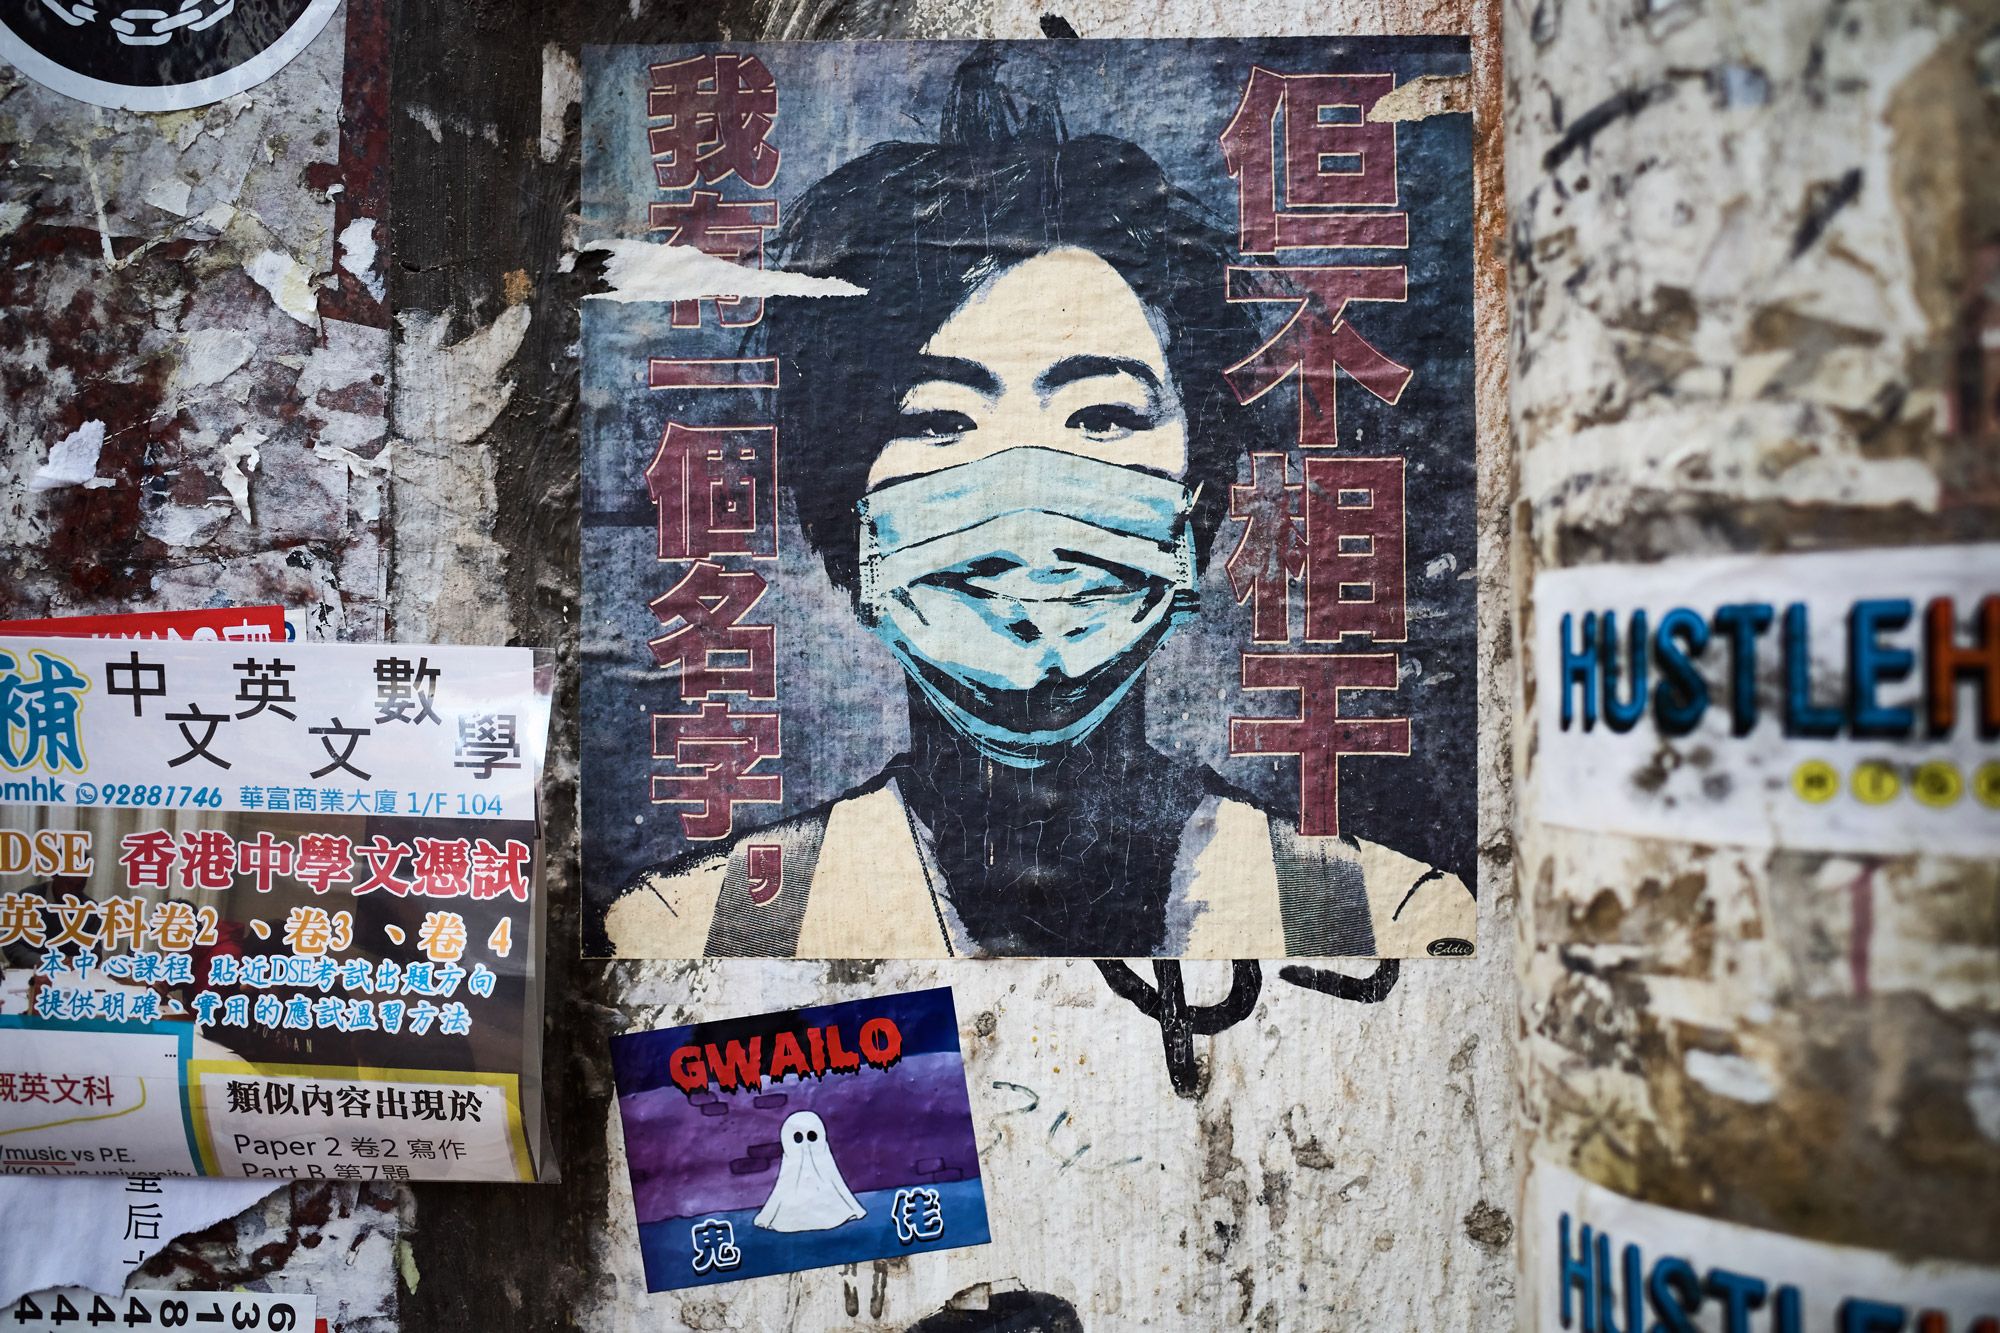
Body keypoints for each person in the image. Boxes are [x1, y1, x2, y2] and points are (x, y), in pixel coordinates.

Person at [606, 50, 1473, 960]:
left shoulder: (1392, 923)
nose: (1026, 492)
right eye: (939, 420)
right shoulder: (690, 932)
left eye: (1101, 416)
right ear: (849, 518)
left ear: (1196, 494)